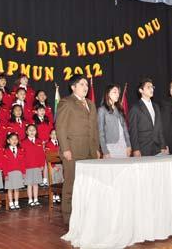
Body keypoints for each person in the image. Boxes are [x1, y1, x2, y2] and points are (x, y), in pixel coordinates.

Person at [56, 74, 100, 224]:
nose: (85, 87)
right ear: (73, 87)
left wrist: (96, 148)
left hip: (90, 151)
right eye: (82, 84)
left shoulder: (91, 103)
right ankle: (68, 218)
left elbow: (94, 128)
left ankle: (86, 215)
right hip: (72, 151)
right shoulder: (66, 102)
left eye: (86, 84)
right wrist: (65, 149)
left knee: (89, 185)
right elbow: (60, 127)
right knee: (70, 185)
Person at [128, 78, 168, 156]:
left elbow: (159, 128)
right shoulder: (135, 108)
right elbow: (133, 131)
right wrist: (136, 149)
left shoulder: (156, 106)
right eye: (148, 87)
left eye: (152, 87)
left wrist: (163, 145)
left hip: (157, 148)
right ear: (141, 90)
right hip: (143, 148)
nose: (151, 89)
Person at [98, 84, 131, 158]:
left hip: (123, 146)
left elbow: (125, 129)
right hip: (110, 146)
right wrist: (105, 151)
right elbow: (101, 132)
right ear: (108, 94)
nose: (118, 94)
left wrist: (128, 145)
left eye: (118, 93)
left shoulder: (119, 109)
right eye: (114, 92)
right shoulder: (102, 110)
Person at [22, 124, 46, 206]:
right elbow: (22, 156)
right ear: (26, 132)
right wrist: (23, 168)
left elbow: (42, 154)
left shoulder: (39, 141)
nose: (32, 132)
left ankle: (36, 199)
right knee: (29, 184)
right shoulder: (23, 142)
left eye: (33, 130)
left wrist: (42, 164)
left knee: (36, 184)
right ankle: (30, 200)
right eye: (30, 130)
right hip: (28, 167)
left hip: (37, 166)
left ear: (36, 132)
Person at [3, 132, 25, 210]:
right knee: (10, 188)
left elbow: (22, 162)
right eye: (12, 139)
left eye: (16, 139)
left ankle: (16, 202)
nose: (14, 141)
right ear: (8, 141)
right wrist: (5, 174)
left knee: (16, 189)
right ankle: (11, 203)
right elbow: (4, 164)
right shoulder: (5, 151)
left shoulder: (20, 150)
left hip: (18, 172)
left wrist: (23, 172)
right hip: (9, 173)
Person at [45, 129, 63, 203]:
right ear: (50, 135)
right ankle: (53, 196)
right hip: (52, 165)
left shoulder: (60, 144)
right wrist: (53, 166)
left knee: (59, 180)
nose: (54, 136)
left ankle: (57, 195)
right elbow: (48, 155)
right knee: (53, 180)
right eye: (52, 134)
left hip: (60, 164)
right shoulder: (48, 144)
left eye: (55, 134)